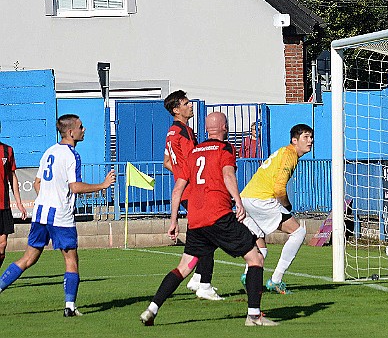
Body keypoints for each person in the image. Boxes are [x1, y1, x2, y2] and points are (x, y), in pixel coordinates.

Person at [140, 112, 278, 327]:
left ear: (206, 129)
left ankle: (152, 309)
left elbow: (178, 189)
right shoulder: (226, 148)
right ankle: (253, 316)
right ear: (225, 127)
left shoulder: (194, 153)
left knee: (184, 267)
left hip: (195, 219)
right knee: (256, 259)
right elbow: (228, 175)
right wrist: (238, 202)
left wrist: (174, 220)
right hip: (219, 215)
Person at [0, 114, 116, 316]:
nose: (84, 129)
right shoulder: (71, 155)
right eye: (81, 126)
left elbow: (37, 183)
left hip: (41, 212)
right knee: (71, 260)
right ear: (71, 132)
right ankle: (70, 307)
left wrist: (48, 196)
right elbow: (75, 187)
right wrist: (103, 185)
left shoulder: (49, 151)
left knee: (28, 258)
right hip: (60, 216)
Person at [240, 124, 313, 294]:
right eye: (306, 137)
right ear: (294, 141)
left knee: (262, 249)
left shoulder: (283, 151)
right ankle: (276, 280)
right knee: (298, 233)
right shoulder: (290, 154)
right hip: (261, 199)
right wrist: (287, 206)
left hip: (247, 198)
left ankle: (248, 276)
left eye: (311, 137)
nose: (310, 141)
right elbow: (279, 188)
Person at [163, 90, 222, 301]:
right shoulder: (185, 132)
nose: (191, 106)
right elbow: (193, 159)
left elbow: (167, 162)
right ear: (176, 109)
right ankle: (204, 283)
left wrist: (181, 175)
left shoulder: (171, 132)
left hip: (186, 189)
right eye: (186, 103)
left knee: (201, 235)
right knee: (210, 233)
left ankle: (198, 277)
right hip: (194, 190)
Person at [0, 142, 27, 268]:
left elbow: (12, 176)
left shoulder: (7, 150)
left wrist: (19, 203)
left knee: (2, 245)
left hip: (3, 206)